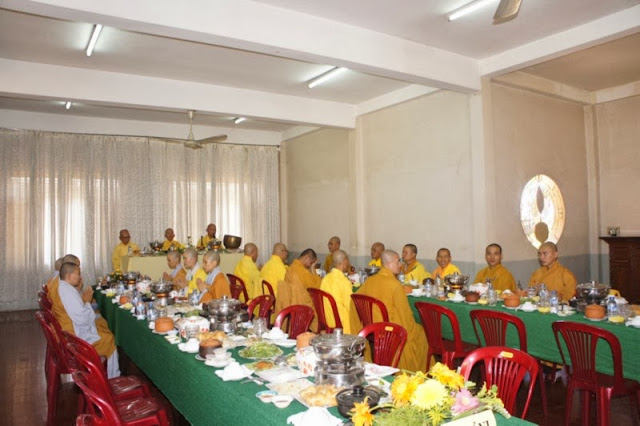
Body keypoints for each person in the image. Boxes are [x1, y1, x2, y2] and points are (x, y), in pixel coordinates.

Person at [350, 250, 428, 372]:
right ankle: (419, 370)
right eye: (398, 261)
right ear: (389, 263)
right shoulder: (395, 285)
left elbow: (354, 298)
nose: (400, 265)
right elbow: (405, 316)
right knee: (421, 331)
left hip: (371, 327)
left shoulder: (370, 280)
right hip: (388, 329)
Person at [52, 262, 120, 378]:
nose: (80, 277)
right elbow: (83, 320)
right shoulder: (67, 293)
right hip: (76, 337)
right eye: (78, 274)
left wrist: (84, 301)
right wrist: (87, 302)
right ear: (69, 276)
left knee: (103, 326)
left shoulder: (64, 287)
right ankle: (112, 377)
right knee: (109, 340)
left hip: (71, 330)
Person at [276, 249, 322, 331]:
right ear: (307, 258)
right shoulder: (302, 271)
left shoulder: (291, 267)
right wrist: (313, 269)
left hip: (291, 303)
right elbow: (317, 287)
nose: (310, 265)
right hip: (303, 304)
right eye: (311, 262)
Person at [320, 250, 353, 333]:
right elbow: (350, 306)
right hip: (341, 321)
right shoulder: (344, 282)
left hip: (328, 319)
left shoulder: (325, 278)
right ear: (345, 261)